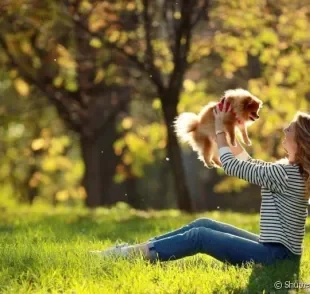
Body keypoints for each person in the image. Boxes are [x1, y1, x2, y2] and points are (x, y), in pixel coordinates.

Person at [89, 99, 310, 267]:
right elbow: (249, 163)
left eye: (289, 128)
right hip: (277, 251)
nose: (284, 130)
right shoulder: (290, 170)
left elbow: (235, 167)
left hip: (276, 256)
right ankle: (137, 250)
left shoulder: (287, 174)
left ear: (299, 141)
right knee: (204, 224)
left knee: (200, 237)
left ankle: (129, 255)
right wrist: (222, 129)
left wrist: (221, 130)